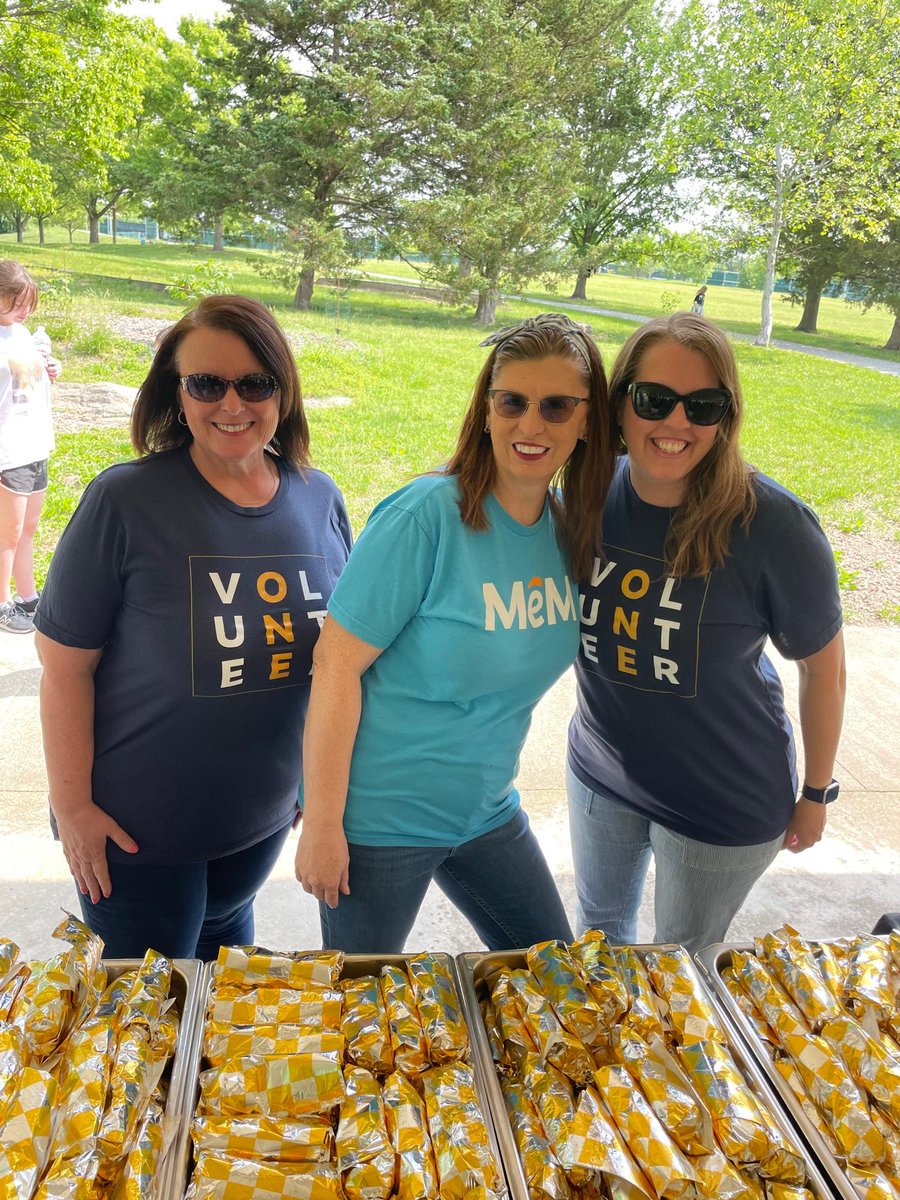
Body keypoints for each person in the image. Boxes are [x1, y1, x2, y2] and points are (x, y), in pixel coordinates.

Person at [34, 295, 352, 959]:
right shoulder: (125, 500)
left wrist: (308, 782)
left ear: (284, 391)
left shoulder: (318, 496)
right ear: (176, 394)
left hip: (260, 825)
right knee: (155, 1016)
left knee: (223, 999)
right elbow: (64, 669)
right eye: (207, 384)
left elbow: (333, 664)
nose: (232, 405)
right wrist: (72, 809)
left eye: (255, 384)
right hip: (137, 840)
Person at [295, 313, 617, 953]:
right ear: (487, 410)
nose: (531, 425)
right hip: (382, 820)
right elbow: (334, 664)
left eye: (557, 406)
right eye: (512, 402)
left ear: (587, 422)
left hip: (486, 811)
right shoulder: (427, 516)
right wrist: (323, 824)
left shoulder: (566, 529)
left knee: (555, 975)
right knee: (366, 1001)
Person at [567, 313, 845, 953]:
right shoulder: (587, 489)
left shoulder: (772, 525)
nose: (676, 422)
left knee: (684, 967)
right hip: (600, 771)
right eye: (653, 399)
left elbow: (825, 670)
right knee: (597, 941)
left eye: (703, 406)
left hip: (721, 798)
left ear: (726, 417)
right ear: (619, 403)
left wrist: (816, 793)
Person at [0, 261, 62, 635]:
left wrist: (51, 368)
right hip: (9, 449)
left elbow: (30, 379)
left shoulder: (23, 334)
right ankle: (2, 604)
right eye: (17, 302)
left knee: (28, 529)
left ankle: (27, 597)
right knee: (7, 533)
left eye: (29, 303)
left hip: (35, 443)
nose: (25, 310)